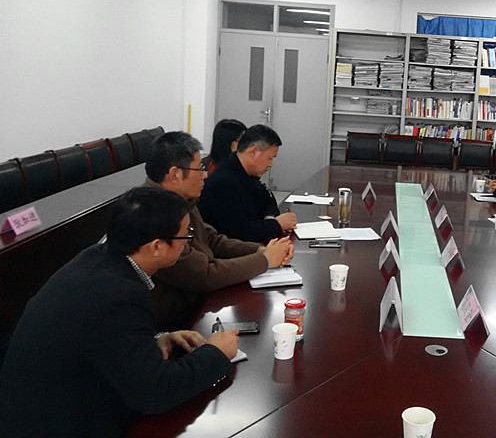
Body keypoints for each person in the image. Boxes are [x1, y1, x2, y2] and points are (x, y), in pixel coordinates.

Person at [0, 187, 240, 437]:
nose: (188, 242)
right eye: (185, 235)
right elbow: (155, 393)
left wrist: (155, 339)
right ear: (157, 246)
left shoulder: (98, 257)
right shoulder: (119, 294)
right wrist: (216, 353)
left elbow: (105, 338)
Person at [144, 131, 293, 330]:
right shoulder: (154, 214)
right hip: (175, 322)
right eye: (200, 169)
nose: (205, 174)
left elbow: (213, 239)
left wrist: (261, 250)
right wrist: (265, 260)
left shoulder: (180, 200)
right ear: (175, 174)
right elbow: (204, 275)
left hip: (196, 304)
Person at [199, 124, 297, 243]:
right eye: (270, 158)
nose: (270, 164)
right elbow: (239, 233)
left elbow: (267, 200)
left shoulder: (245, 172)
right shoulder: (223, 182)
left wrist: (271, 219)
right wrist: (276, 225)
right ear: (253, 152)